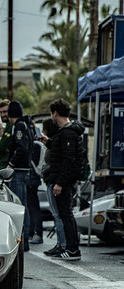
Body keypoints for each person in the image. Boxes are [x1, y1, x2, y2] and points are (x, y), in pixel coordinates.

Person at [45, 99, 84, 260]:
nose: (51, 116)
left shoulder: (67, 133)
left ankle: (73, 249)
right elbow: (61, 153)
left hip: (64, 182)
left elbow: (68, 161)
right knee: (66, 214)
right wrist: (48, 142)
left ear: (55, 113)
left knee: (66, 215)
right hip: (63, 180)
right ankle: (71, 248)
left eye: (52, 113)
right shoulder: (65, 132)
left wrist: (59, 183)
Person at [7, 100, 34, 252]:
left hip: (19, 170)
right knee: (24, 205)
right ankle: (25, 241)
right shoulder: (27, 125)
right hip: (25, 170)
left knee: (18, 206)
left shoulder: (19, 126)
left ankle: (22, 242)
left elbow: (21, 147)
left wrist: (11, 163)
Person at [40, 118, 67, 256]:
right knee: (59, 214)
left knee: (57, 215)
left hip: (53, 182)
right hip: (53, 181)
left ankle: (62, 244)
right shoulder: (55, 143)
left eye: (44, 129)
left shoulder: (55, 145)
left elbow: (51, 164)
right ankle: (61, 244)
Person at [28, 132, 46, 245]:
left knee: (33, 207)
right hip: (33, 179)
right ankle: (34, 232)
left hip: (31, 179)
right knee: (32, 207)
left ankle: (36, 233)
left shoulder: (34, 145)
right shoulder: (37, 144)